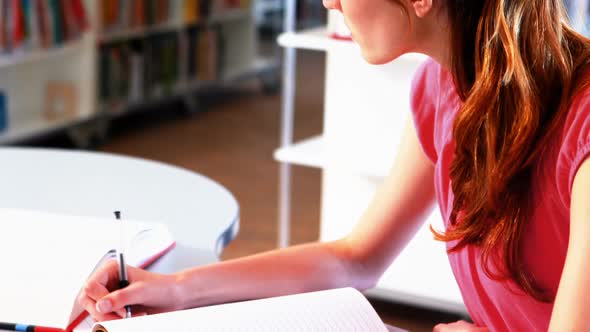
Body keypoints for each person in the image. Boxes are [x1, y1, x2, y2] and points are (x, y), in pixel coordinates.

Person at [78, 1, 590, 330]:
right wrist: (178, 289)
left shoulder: (583, 120)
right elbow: (356, 257)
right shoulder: (441, 89)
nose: (328, 2)